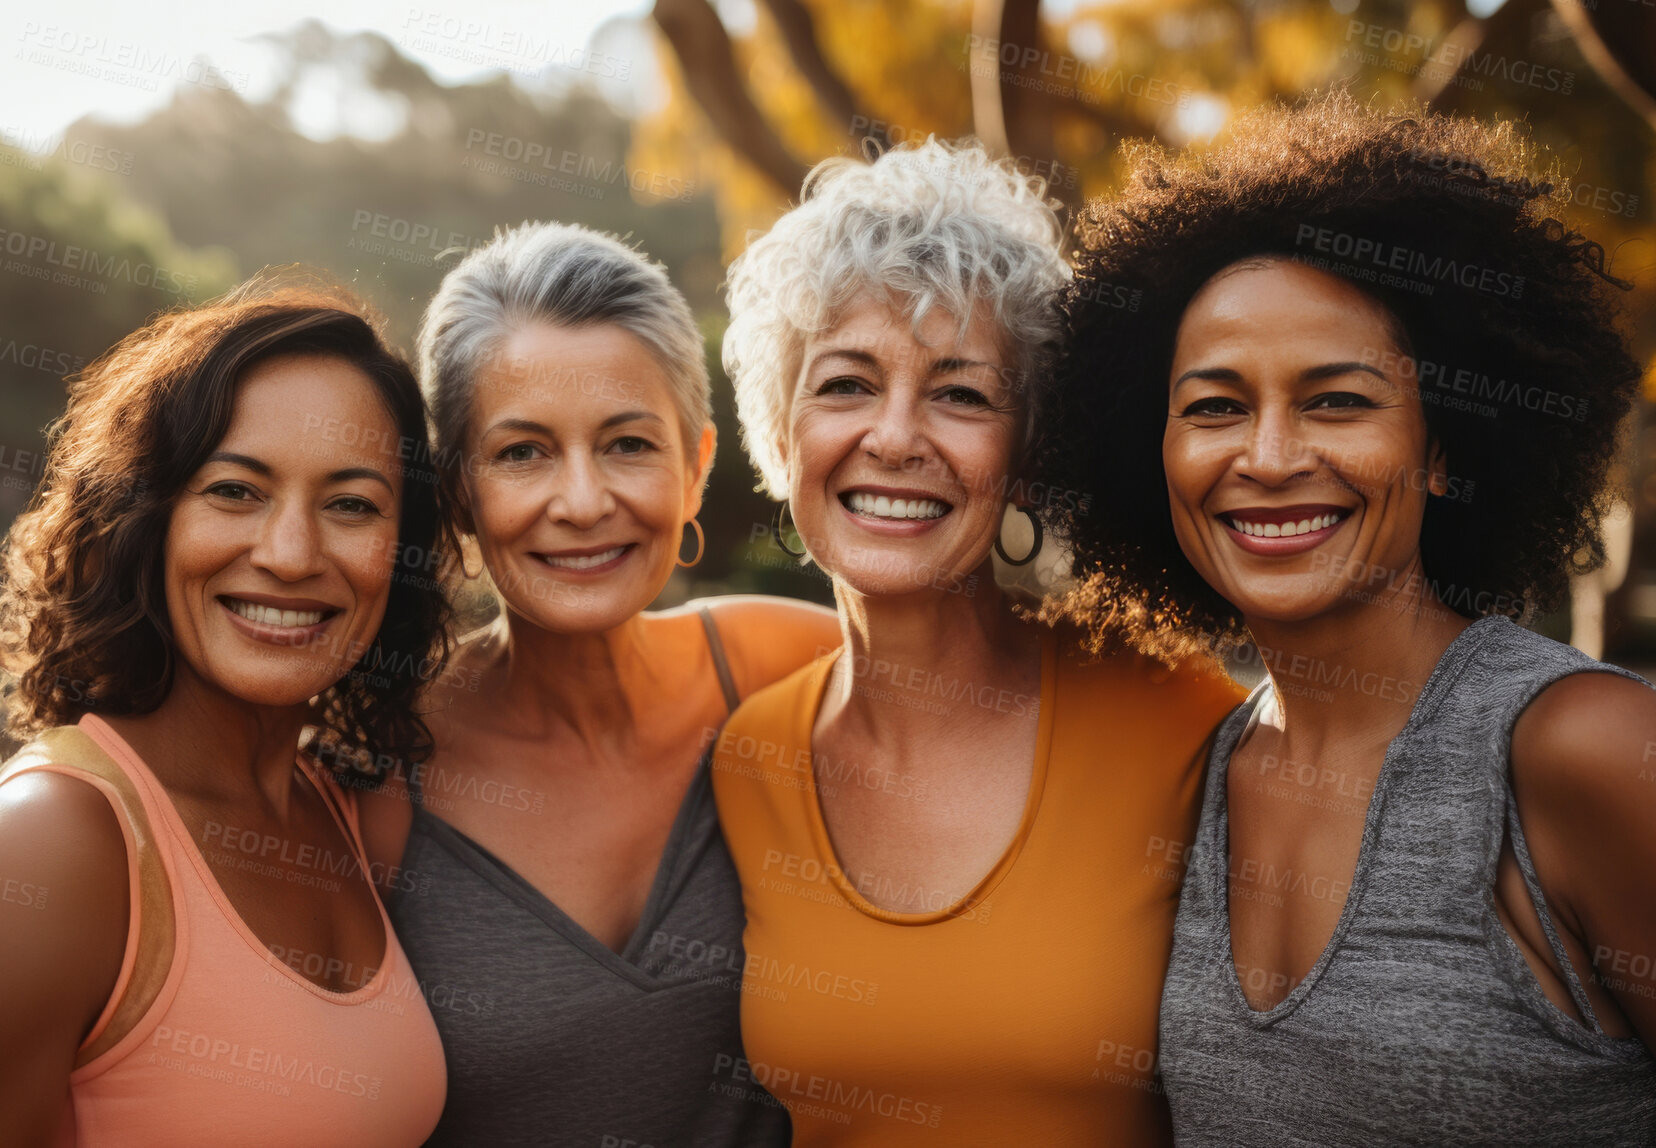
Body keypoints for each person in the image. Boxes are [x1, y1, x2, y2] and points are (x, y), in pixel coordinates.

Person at [1036, 91, 1656, 1147]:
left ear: (1447, 446)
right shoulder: (1200, 776)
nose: (1267, 457)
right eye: (1216, 405)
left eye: (1337, 401)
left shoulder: (1582, 750)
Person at [710, 138, 1246, 1146]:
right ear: (779, 438)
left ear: (1028, 455)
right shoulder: (750, 759)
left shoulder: (1174, 706)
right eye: (845, 384)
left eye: (961, 392)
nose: (898, 436)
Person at [355, 221, 839, 1146]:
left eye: (626, 444)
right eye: (522, 453)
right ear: (456, 493)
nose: (581, 502)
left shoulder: (790, 667)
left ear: (695, 469)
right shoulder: (376, 769)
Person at [0, 277, 453, 1146]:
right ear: (145, 517)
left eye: (351, 505)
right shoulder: (57, 841)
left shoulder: (339, 807)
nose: (289, 554)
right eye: (236, 491)